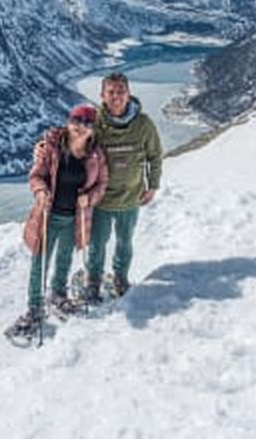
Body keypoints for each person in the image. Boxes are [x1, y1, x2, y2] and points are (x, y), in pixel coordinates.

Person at [34, 72, 162, 301]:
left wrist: (152, 185)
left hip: (131, 197)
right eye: (111, 92)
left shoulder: (144, 125)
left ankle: (121, 278)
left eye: (121, 91)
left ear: (129, 93)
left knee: (125, 242)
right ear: (102, 95)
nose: (116, 96)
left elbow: (155, 155)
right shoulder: (96, 123)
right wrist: (43, 146)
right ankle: (93, 280)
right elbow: (70, 136)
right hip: (101, 199)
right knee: (96, 244)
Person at [12, 104, 109, 335]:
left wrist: (89, 197)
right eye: (77, 120)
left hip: (74, 218)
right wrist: (41, 191)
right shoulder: (52, 147)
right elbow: (36, 175)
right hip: (48, 214)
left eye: (87, 123)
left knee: (64, 258)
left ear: (93, 129)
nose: (81, 127)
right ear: (69, 121)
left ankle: (58, 294)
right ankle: (35, 306)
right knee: (40, 263)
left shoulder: (96, 155)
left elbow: (102, 184)